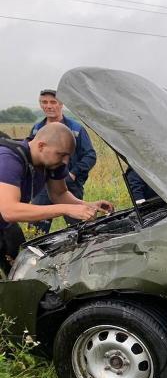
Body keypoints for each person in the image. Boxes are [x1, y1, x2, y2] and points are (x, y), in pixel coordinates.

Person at [0, 123, 114, 274]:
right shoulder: (9, 160)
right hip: (7, 216)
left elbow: (59, 194)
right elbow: (9, 210)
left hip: (5, 225)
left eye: (68, 156)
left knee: (22, 271)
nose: (65, 161)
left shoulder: (52, 163)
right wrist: (66, 209)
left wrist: (88, 205)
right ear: (41, 146)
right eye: (61, 155)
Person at [28, 88, 97, 233]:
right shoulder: (36, 129)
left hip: (70, 185)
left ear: (61, 104)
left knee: (79, 227)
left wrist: (73, 174)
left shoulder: (76, 129)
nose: (48, 106)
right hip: (42, 186)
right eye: (44, 102)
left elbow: (90, 155)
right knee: (35, 228)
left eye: (53, 102)